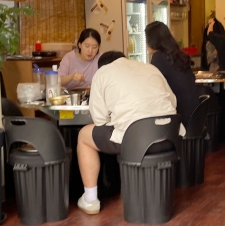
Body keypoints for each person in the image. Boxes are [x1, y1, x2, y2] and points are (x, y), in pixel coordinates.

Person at [76, 51, 183, 215]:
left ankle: (90, 200)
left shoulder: (103, 73)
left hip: (136, 140)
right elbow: (173, 102)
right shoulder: (150, 68)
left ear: (102, 66)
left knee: (84, 135)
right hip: (170, 136)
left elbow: (99, 120)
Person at [145, 21, 200, 127]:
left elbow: (155, 89)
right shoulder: (178, 54)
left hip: (180, 118)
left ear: (152, 40)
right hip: (194, 115)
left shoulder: (158, 58)